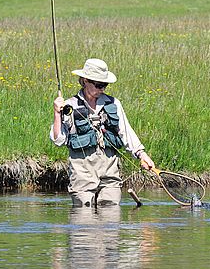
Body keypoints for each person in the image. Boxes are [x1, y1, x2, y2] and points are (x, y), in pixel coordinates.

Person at [51, 58, 154, 207]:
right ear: (85, 81)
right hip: (82, 175)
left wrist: (142, 155)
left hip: (110, 174)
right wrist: (56, 114)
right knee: (84, 222)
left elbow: (126, 132)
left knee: (110, 219)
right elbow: (58, 140)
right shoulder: (69, 106)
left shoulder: (113, 103)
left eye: (104, 85)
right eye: (99, 85)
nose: (102, 90)